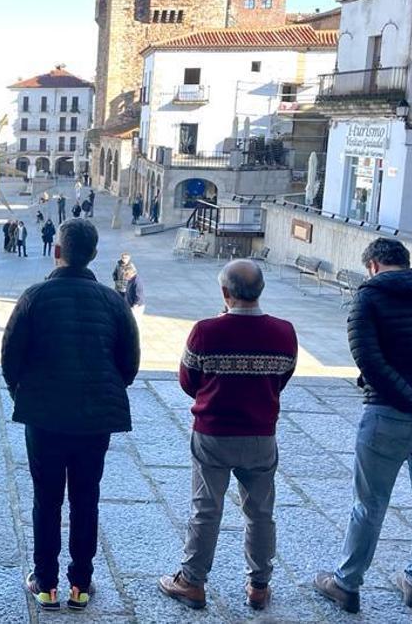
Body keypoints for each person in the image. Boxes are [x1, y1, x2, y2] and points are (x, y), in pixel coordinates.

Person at [315, 238, 412, 613]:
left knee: (369, 504)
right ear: (407, 263)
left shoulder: (368, 299)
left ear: (371, 266)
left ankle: (348, 584)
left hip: (388, 414)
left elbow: (369, 360)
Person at [1, 218, 140, 611]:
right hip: (94, 419)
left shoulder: (34, 297)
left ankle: (45, 584)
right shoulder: (114, 302)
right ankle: (81, 584)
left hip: (44, 418)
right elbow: (128, 363)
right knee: (86, 497)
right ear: (95, 255)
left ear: (58, 251)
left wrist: (25, 394)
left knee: (46, 499)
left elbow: (11, 358)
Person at [158, 260, 297, 611]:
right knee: (261, 512)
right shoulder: (285, 332)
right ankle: (259, 587)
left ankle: (192, 581)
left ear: (225, 293)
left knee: (206, 509)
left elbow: (189, 381)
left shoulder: (205, 331)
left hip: (214, 433)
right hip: (260, 434)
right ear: (260, 290)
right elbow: (282, 378)